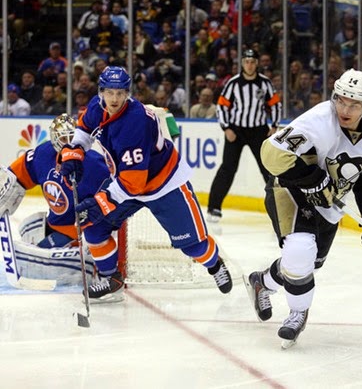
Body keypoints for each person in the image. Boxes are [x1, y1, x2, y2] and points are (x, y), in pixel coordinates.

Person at [56, 66, 232, 303]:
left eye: (120, 93)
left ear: (128, 93)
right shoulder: (98, 106)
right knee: (94, 227)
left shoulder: (134, 122)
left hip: (164, 183)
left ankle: (215, 265)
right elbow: (85, 129)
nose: (115, 98)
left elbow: (134, 183)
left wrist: (102, 201)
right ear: (101, 92)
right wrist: (75, 151)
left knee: (194, 247)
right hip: (128, 180)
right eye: (110, 92)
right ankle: (112, 280)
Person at [245, 69, 362, 346]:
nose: (344, 109)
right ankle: (298, 313)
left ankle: (262, 282)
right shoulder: (318, 121)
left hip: (329, 203)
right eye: (340, 100)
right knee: (300, 248)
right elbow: (271, 154)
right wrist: (313, 179)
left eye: (354, 104)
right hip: (290, 188)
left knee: (307, 263)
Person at [1, 114, 108, 284]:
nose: (67, 143)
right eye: (62, 138)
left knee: (31, 256)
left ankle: (91, 263)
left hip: (78, 229)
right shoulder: (43, 154)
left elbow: (113, 197)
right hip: (56, 222)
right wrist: (6, 191)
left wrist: (97, 210)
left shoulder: (95, 164)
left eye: (71, 137)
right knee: (29, 226)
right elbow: (19, 175)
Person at [207, 49, 281, 221]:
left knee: (268, 169)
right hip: (236, 130)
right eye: (246, 61)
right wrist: (226, 128)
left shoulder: (265, 83)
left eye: (253, 61)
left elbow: (275, 104)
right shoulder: (233, 83)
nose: (249, 65)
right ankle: (213, 208)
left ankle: (279, 207)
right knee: (227, 168)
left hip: (259, 130)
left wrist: (275, 126)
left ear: (257, 63)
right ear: (242, 63)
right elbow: (222, 106)